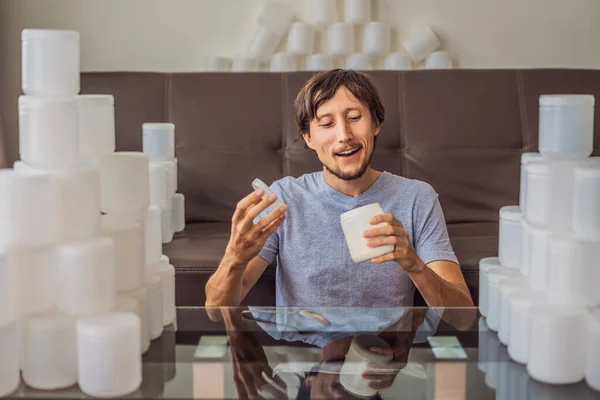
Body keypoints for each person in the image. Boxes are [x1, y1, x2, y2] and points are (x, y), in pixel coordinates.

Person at [205, 69, 474, 308]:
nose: (344, 135)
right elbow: (215, 309)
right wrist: (235, 257)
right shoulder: (283, 199)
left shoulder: (417, 197)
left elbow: (462, 316)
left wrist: (415, 265)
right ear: (308, 138)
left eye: (355, 117)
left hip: (382, 358)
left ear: (376, 125)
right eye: (326, 123)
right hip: (302, 358)